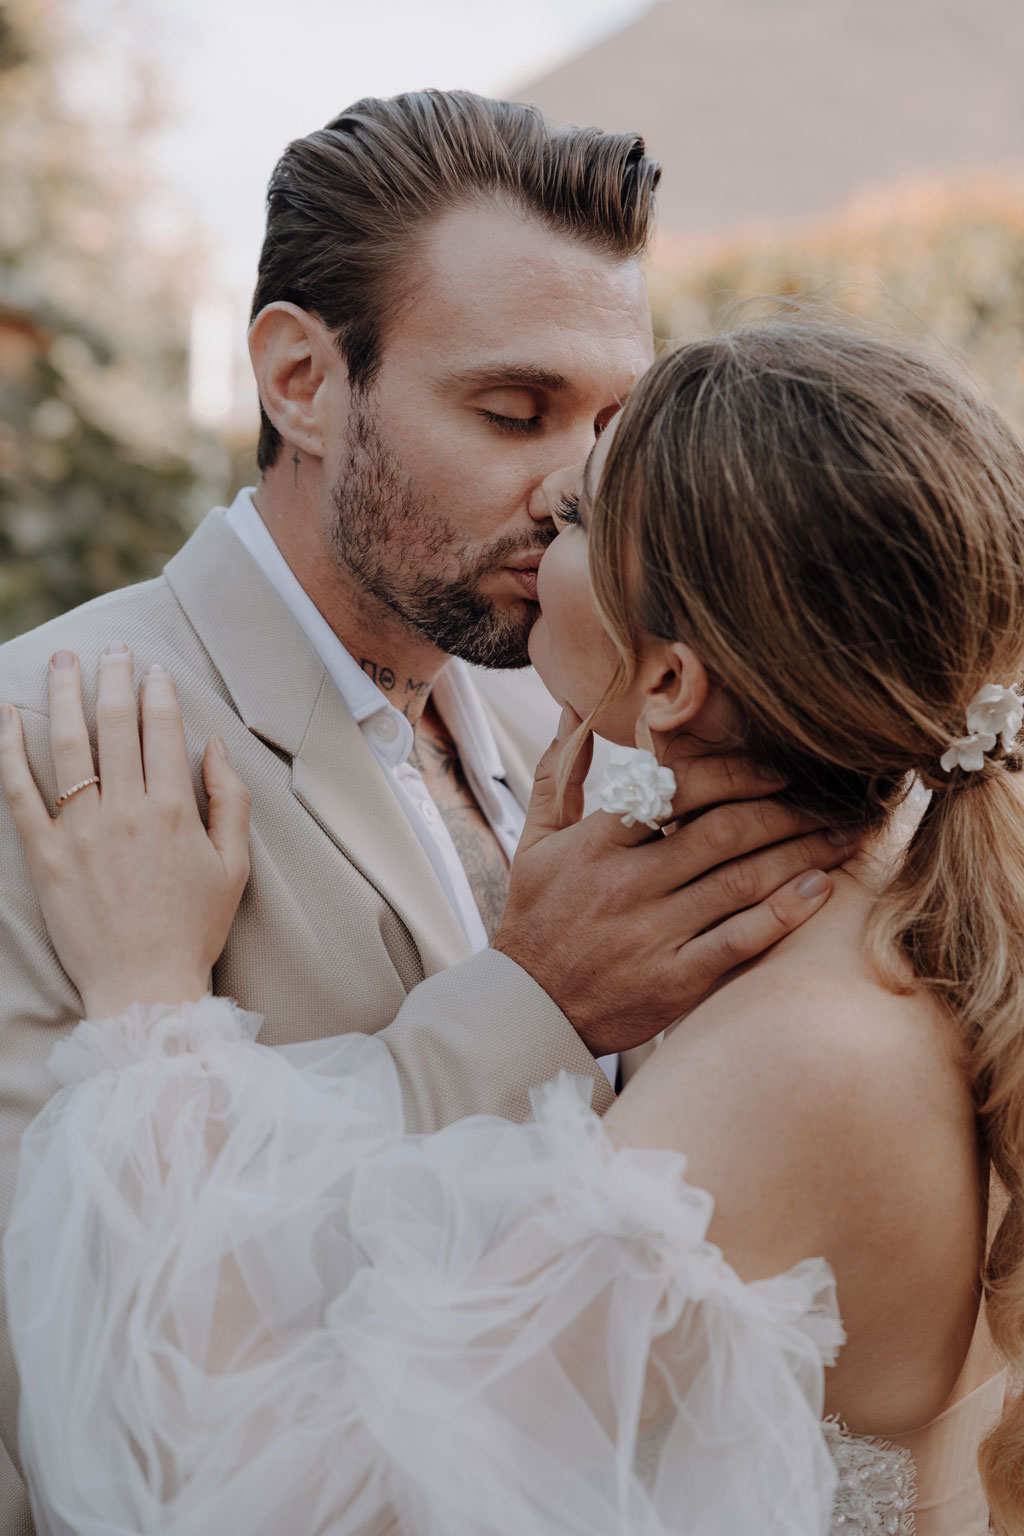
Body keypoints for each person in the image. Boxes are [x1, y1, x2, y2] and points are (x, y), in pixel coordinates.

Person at [2, 319, 1020, 1535]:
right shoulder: (863, 946)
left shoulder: (800, 1053)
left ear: (667, 685)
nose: (546, 504)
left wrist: (151, 1000)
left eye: (584, 512)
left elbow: (273, 1500)